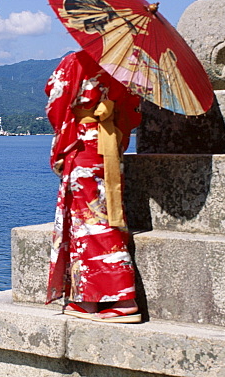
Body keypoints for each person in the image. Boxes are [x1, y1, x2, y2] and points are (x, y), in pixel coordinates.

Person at [45, 48, 142, 322]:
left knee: (90, 221)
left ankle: (121, 300)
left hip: (85, 145)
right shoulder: (127, 65)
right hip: (109, 144)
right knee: (108, 215)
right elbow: (132, 112)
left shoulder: (77, 60)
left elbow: (56, 101)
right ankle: (90, 298)